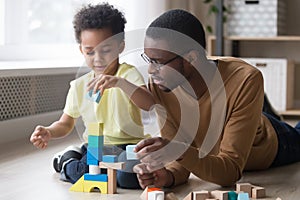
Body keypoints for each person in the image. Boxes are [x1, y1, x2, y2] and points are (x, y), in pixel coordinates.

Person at [132, 9, 300, 189]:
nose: (150, 70)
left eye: (158, 62)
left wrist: (178, 150)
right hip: (226, 128)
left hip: (271, 143)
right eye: (148, 60)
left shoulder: (245, 78)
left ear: (191, 58)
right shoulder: (161, 85)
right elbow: (180, 160)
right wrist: (168, 176)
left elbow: (229, 172)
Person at [29, 3, 154, 189]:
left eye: (106, 50)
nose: (98, 58)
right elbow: (65, 123)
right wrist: (49, 131)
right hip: (96, 147)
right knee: (84, 172)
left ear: (121, 46)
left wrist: (119, 83)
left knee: (129, 179)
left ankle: (79, 160)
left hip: (130, 146)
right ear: (81, 50)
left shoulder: (128, 74)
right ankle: (67, 160)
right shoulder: (80, 86)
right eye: (90, 52)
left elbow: (149, 103)